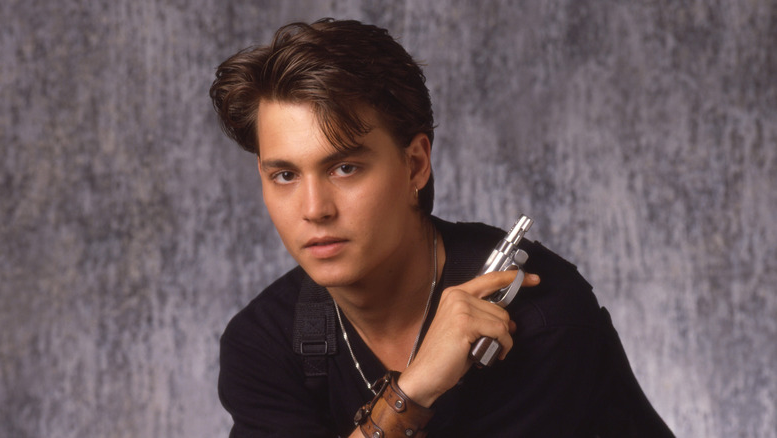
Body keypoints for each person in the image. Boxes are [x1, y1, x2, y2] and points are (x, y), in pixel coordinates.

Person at [209, 18, 674, 437]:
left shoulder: (542, 316)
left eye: (345, 168)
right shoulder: (262, 343)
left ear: (415, 165)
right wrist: (411, 393)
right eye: (285, 175)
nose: (314, 209)